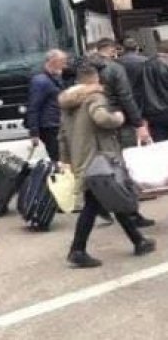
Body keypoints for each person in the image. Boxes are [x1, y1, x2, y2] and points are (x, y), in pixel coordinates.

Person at [59, 64, 155, 268]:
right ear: (95, 80)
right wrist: (118, 118)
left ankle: (139, 241)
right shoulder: (94, 97)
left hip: (82, 159)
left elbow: (62, 136)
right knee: (97, 203)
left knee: (111, 199)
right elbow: (102, 118)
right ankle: (77, 250)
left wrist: (66, 160)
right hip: (99, 159)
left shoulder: (68, 103)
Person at [92, 37, 154, 228]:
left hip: (96, 123)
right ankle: (132, 213)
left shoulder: (85, 67)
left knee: (104, 167)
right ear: (111, 49)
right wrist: (138, 123)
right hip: (119, 122)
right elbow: (126, 97)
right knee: (126, 166)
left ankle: (102, 206)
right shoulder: (114, 68)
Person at [26, 50, 67, 162]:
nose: (65, 65)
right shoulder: (40, 81)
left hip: (55, 124)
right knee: (58, 158)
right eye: (62, 61)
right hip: (50, 127)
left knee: (61, 158)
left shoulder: (53, 78)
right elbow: (34, 107)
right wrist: (34, 133)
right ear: (53, 61)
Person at [142, 41, 168, 142]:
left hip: (153, 112)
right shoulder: (164, 66)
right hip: (165, 108)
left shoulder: (146, 64)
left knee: (160, 143)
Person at [118, 38, 148, 113]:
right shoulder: (146, 61)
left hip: (125, 97)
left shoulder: (117, 62)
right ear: (137, 48)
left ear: (123, 49)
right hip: (144, 96)